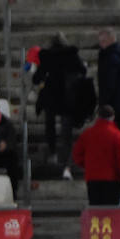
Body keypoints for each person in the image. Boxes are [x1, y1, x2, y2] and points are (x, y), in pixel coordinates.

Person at [33, 33, 88, 168]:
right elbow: (83, 71)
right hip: (68, 94)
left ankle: (53, 152)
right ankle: (66, 158)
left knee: (50, 125)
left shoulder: (47, 56)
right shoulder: (72, 55)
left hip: (51, 95)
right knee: (66, 128)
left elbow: (37, 78)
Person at [71, 105, 120, 205]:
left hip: (92, 178)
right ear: (113, 117)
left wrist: (88, 164)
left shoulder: (87, 134)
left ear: (98, 116)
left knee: (95, 209)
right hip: (112, 179)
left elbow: (76, 155)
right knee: (110, 210)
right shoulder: (117, 135)